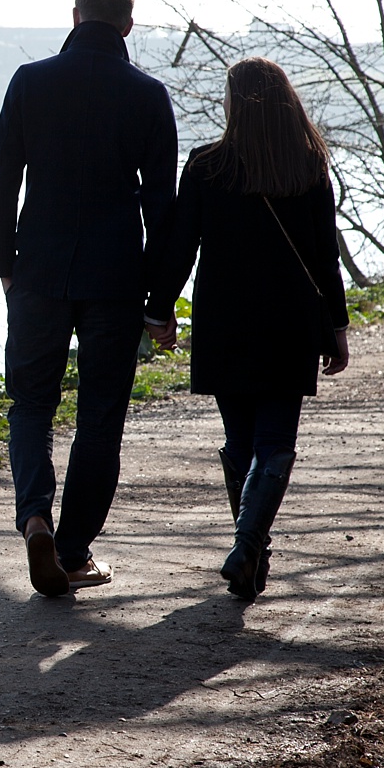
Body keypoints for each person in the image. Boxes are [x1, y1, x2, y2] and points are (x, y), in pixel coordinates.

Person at [0, 0, 178, 597]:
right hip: (116, 279)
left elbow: (2, 181)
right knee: (100, 417)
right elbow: (164, 209)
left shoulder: (29, 81)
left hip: (38, 269)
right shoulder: (147, 95)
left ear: (74, 16)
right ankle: (71, 552)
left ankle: (35, 518)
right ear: (127, 25)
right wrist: (161, 299)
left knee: (31, 404)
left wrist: (4, 264)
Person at [145, 58, 349, 602]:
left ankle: (249, 551)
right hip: (289, 325)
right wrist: (337, 325)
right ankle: (248, 548)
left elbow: (180, 247)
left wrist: (158, 309)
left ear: (235, 103)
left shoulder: (207, 165)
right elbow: (324, 258)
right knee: (276, 442)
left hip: (224, 323)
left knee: (241, 442)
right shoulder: (308, 165)